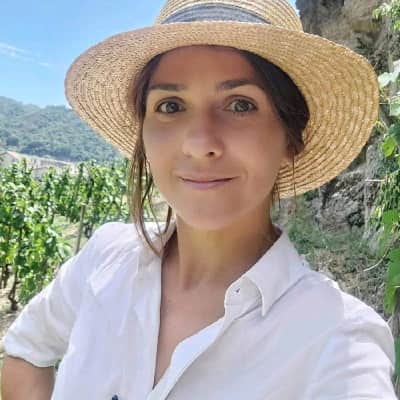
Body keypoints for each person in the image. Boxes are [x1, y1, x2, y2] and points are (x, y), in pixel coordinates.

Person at [1, 0, 397, 399]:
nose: (199, 143)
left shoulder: (339, 341)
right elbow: (25, 354)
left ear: (290, 140)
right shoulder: (104, 257)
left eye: (241, 105)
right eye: (170, 106)